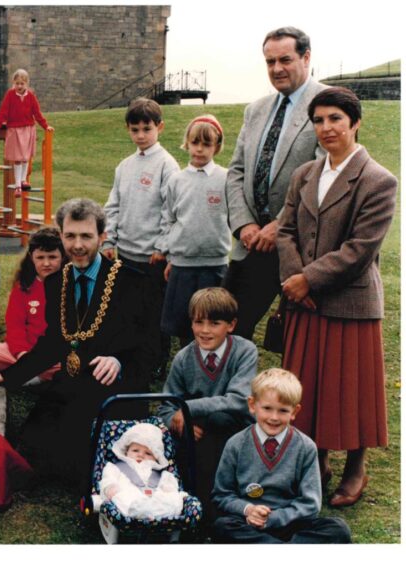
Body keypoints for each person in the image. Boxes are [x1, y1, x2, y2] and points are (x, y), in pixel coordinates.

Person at [277, 87, 397, 508]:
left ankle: (355, 469)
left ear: (355, 123)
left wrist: (308, 280)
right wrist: (296, 280)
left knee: (352, 389)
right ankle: (316, 462)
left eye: (336, 119)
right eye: (320, 120)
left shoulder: (378, 180)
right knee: (308, 387)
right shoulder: (305, 173)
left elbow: (359, 249)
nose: (327, 128)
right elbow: (286, 230)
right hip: (304, 300)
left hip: (350, 303)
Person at [0, 198, 151, 484]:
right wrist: (8, 377)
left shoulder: (133, 282)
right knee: (29, 448)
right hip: (71, 381)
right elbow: (52, 344)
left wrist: (118, 360)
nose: (77, 245)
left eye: (86, 236)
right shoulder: (58, 281)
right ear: (61, 235)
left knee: (74, 466)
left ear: (102, 237)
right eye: (70, 236)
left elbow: (150, 348)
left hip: (114, 387)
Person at [224, 27, 328, 339]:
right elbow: (236, 172)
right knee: (228, 327)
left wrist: (279, 226)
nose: (277, 69)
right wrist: (244, 225)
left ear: (306, 57)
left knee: (295, 340)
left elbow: (324, 176)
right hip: (252, 244)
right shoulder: (255, 110)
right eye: (270, 62)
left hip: (299, 248)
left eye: (285, 59)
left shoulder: (328, 105)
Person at [212, 369, 352, 543]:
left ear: (295, 411)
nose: (274, 417)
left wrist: (274, 518)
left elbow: (310, 504)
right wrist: (248, 509)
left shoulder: (306, 447)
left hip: (291, 522)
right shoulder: (236, 444)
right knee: (222, 527)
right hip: (249, 522)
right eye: (267, 408)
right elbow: (222, 495)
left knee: (338, 529)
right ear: (252, 405)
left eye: (283, 411)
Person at [157, 287, 257, 522]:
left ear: (230, 325)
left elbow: (238, 401)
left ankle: (222, 512)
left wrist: (188, 408)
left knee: (219, 436)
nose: (204, 330)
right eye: (198, 322)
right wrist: (178, 422)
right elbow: (166, 406)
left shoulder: (244, 351)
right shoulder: (184, 357)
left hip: (234, 431)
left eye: (214, 323)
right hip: (197, 434)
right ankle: (196, 513)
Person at [102, 98, 178, 376]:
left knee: (154, 313)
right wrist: (108, 240)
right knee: (128, 309)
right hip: (125, 255)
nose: (141, 135)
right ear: (128, 130)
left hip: (153, 258)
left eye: (147, 129)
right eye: (135, 130)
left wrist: (162, 246)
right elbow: (113, 205)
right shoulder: (124, 166)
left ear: (160, 127)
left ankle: (156, 360)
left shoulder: (167, 165)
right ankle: (131, 355)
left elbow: (171, 211)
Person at [159, 115, 230, 342]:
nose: (199, 150)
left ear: (216, 147)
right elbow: (169, 219)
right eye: (195, 143)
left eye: (206, 144)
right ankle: (186, 364)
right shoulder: (176, 180)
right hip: (183, 265)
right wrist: (170, 255)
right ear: (187, 143)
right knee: (184, 324)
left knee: (212, 323)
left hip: (214, 265)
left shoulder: (226, 178)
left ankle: (211, 369)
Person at [0, 226, 65, 384]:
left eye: (52, 257)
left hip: (55, 354)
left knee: (71, 363)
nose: (46, 263)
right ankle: (35, 375)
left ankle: (29, 377)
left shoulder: (72, 285)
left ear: (63, 257)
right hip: (27, 349)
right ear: (31, 257)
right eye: (40, 257)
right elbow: (14, 326)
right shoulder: (23, 286)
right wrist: (21, 354)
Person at [99, 423, 187, 521]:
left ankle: (153, 512)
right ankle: (142, 511)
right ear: (126, 451)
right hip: (130, 498)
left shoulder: (162, 474)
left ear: (156, 458)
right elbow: (108, 478)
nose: (140, 455)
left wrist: (169, 489)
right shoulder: (115, 467)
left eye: (148, 453)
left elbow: (170, 485)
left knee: (173, 498)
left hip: (155, 501)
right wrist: (109, 487)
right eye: (135, 450)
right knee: (121, 497)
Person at [0, 68, 53, 191]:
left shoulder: (30, 96)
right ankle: (18, 183)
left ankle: (23, 180)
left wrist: (46, 126)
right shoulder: (10, 95)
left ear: (26, 84)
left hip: (28, 129)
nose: (19, 86)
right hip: (14, 129)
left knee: (25, 157)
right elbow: (4, 111)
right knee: (17, 157)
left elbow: (37, 113)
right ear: (13, 83)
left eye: (22, 83)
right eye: (17, 83)